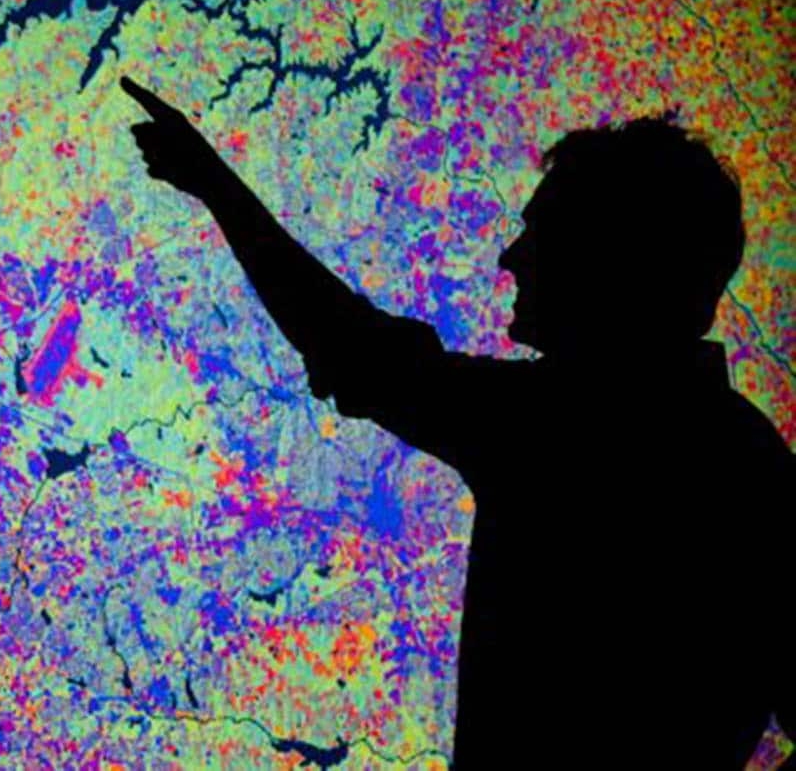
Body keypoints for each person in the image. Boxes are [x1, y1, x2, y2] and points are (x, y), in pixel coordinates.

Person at [121, 76, 794, 768]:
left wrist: (214, 185)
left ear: (606, 261)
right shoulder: (751, 464)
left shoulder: (554, 429)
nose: (511, 258)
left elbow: (352, 347)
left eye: (542, 234)